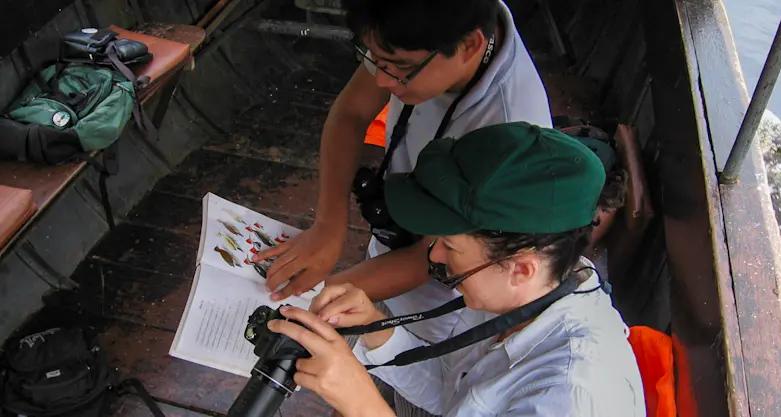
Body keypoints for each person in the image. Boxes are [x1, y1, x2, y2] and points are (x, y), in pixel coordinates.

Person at [266, 122, 646, 417]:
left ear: (522, 268)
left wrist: (364, 405)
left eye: (450, 246)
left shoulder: (568, 397)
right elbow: (457, 394)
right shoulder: (524, 294)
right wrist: (376, 329)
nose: (434, 256)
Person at [254, 0, 553, 319]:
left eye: (401, 69)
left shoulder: (507, 132)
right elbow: (351, 114)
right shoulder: (422, 32)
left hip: (445, 292)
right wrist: (328, 225)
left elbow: (431, 255)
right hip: (398, 234)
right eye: (377, 61)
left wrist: (319, 294)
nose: (382, 81)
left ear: (470, 45)